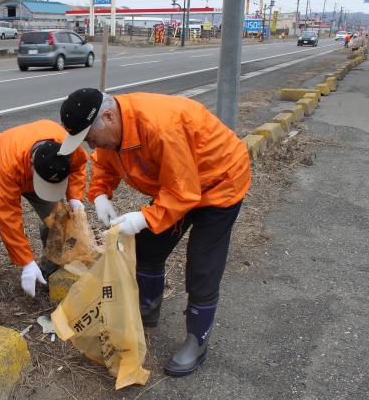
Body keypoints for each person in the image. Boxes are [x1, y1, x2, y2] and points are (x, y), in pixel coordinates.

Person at [58, 88, 251, 377]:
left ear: (109, 116)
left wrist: (143, 218)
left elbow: (184, 193)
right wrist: (100, 193)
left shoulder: (161, 127)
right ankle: (147, 309)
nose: (90, 144)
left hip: (219, 183)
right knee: (148, 248)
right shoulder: (115, 132)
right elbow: (106, 161)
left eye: (90, 137)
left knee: (202, 266)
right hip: (175, 183)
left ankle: (197, 341)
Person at [0, 120, 89, 300]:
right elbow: (8, 217)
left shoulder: (67, 146)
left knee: (61, 219)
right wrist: (26, 261)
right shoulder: (6, 164)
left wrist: (74, 197)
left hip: (39, 172)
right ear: (31, 165)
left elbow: (79, 166)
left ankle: (48, 271)